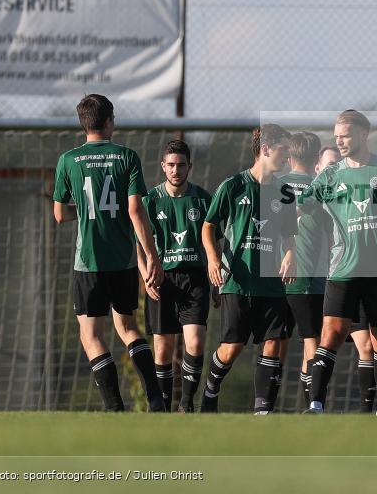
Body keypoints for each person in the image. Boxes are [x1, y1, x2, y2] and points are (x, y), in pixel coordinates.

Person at [52, 94, 166, 412]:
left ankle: (115, 408)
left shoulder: (68, 160)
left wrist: (87, 211)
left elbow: (60, 214)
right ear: (110, 120)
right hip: (124, 260)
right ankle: (155, 397)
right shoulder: (126, 157)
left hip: (88, 261)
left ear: (83, 123)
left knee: (90, 334)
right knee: (128, 327)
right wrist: (152, 257)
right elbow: (135, 210)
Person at [300, 110, 377, 416]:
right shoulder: (330, 175)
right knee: (331, 335)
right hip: (342, 270)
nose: (340, 141)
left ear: (364, 134)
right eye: (337, 136)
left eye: (346, 135)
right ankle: (315, 405)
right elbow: (300, 207)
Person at [199, 124, 298, 414]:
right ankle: (210, 390)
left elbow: (289, 235)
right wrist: (213, 259)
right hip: (237, 282)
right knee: (232, 348)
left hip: (271, 284)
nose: (287, 155)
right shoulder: (233, 186)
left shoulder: (284, 192)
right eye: (283, 149)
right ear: (265, 149)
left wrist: (290, 254)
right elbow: (208, 227)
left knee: (274, 342)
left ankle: (262, 411)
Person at [138, 140, 214, 413]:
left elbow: (215, 241)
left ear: (189, 167)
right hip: (162, 280)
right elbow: (138, 243)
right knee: (162, 348)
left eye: (181, 165)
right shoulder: (150, 200)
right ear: (162, 167)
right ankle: (163, 407)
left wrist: (217, 276)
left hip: (195, 279)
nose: (176, 170)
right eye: (170, 165)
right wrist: (145, 274)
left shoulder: (203, 199)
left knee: (195, 341)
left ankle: (186, 404)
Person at [318, 145, 377, 413]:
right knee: (318, 343)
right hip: (319, 283)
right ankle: (314, 405)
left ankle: (367, 412)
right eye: (328, 165)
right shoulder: (309, 202)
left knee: (366, 344)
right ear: (318, 170)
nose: (334, 169)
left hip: (353, 276)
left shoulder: (351, 195)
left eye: (337, 164)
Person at [282, 133, 332, 408]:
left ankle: (263, 406)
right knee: (312, 341)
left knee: (274, 342)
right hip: (310, 276)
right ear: (316, 160)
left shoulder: (274, 185)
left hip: (274, 276)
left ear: (289, 157)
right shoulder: (322, 189)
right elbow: (337, 234)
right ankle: (314, 404)